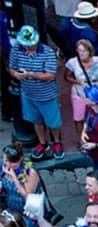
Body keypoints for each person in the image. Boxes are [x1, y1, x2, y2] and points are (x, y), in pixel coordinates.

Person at [8, 25, 64, 160]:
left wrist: (30, 75)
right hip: (28, 94)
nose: (29, 47)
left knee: (53, 123)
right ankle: (42, 143)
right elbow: (11, 68)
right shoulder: (16, 50)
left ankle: (57, 142)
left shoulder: (47, 52)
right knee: (36, 121)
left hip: (47, 96)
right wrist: (16, 74)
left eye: (31, 44)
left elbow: (50, 75)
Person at [64, 39, 98, 140]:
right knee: (79, 118)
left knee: (97, 116)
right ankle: (81, 139)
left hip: (95, 94)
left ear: (90, 51)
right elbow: (67, 77)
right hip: (80, 93)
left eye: (84, 51)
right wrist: (78, 81)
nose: (81, 53)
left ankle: (95, 137)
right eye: (79, 50)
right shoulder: (72, 62)